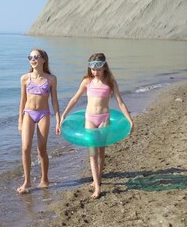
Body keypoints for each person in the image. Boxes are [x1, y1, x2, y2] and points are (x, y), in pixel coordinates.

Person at [60, 53, 134, 199]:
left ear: (104, 67)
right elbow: (75, 98)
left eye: (98, 69)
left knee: (101, 152)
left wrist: (130, 120)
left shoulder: (110, 82)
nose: (95, 72)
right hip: (89, 118)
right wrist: (64, 115)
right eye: (92, 69)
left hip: (104, 118)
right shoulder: (87, 81)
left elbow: (120, 102)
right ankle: (97, 185)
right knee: (92, 154)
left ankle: (98, 178)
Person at [17, 48, 61, 194]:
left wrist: (58, 119)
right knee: (25, 148)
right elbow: (22, 101)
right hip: (28, 114)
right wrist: (20, 120)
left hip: (43, 114)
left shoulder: (51, 79)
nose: (33, 59)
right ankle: (27, 181)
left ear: (43, 59)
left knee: (41, 149)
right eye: (30, 56)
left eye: (36, 56)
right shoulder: (25, 78)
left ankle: (44, 179)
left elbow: (54, 101)